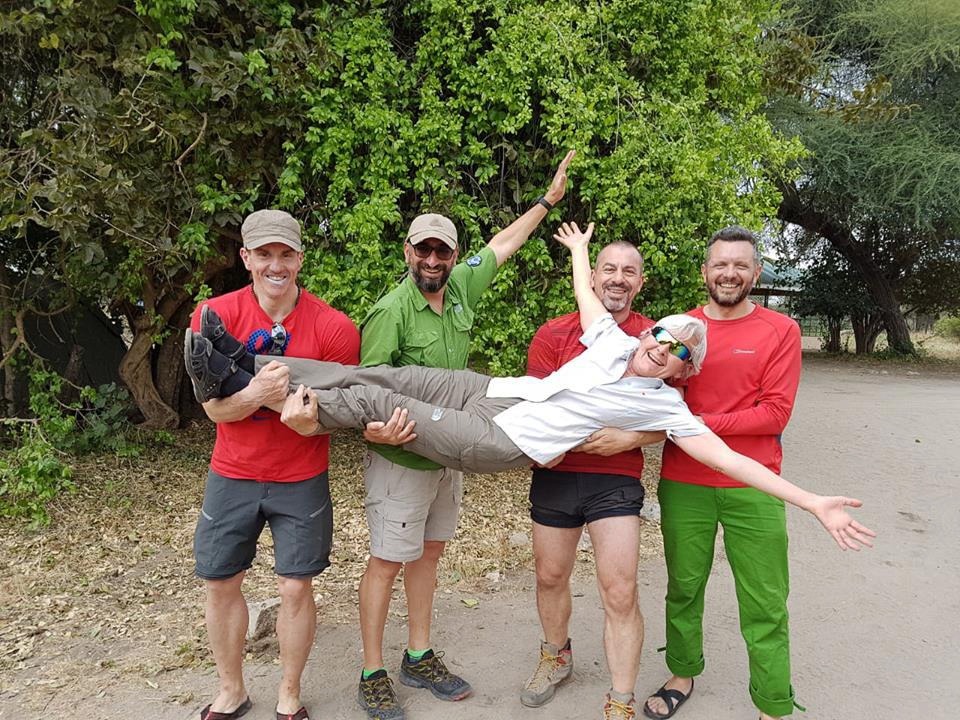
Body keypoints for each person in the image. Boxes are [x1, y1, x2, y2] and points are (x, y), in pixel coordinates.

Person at [184, 222, 875, 562]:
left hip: (501, 438)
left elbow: (736, 460)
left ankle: (259, 390)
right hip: (494, 393)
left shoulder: (664, 406)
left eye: (677, 353)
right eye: (661, 335)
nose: (661, 348)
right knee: (384, 375)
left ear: (680, 371)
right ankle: (241, 365)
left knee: (373, 404)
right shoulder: (612, 341)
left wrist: (813, 501)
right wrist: (578, 247)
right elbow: (587, 289)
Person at [352, 150, 576, 720]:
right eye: (422, 248)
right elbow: (365, 390)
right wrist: (378, 430)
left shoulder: (460, 292)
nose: (432, 258)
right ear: (408, 253)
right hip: (399, 457)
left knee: (429, 556)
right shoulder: (390, 312)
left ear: (452, 256)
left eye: (441, 250)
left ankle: (419, 655)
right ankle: (372, 669)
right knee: (386, 559)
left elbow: (504, 244)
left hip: (445, 456)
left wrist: (548, 200)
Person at [187, 209, 361, 720]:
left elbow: (338, 415)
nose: (276, 265)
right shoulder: (211, 317)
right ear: (246, 258)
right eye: (264, 254)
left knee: (295, 585)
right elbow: (212, 408)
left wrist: (309, 423)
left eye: (286, 254)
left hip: (300, 477)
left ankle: (289, 692)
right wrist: (261, 394)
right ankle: (231, 690)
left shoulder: (333, 327)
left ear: (301, 258)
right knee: (220, 582)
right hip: (232, 472)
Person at [642, 226, 804, 720]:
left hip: (753, 484)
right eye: (719, 264)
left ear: (755, 273)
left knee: (765, 600)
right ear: (704, 272)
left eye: (740, 265)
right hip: (685, 484)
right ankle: (682, 672)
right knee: (683, 587)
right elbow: (647, 388)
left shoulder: (781, 330)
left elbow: (774, 413)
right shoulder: (678, 329)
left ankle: (774, 703)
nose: (729, 273)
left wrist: (696, 424)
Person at [522, 240, 661, 719]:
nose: (618, 278)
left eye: (628, 271)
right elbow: (533, 406)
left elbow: (675, 416)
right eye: (608, 269)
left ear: (640, 281)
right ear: (593, 278)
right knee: (550, 575)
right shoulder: (552, 334)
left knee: (619, 590)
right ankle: (555, 655)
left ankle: (620, 699)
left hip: (615, 479)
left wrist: (631, 438)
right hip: (557, 475)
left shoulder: (655, 340)